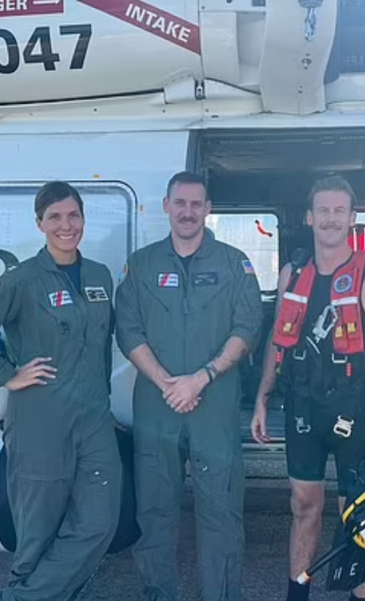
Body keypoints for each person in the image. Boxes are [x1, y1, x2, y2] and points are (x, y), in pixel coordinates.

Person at [0, 181, 124, 601]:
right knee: (38, 535)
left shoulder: (99, 275)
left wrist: (102, 400)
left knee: (99, 522)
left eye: (73, 215)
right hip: (41, 420)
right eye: (55, 217)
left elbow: (98, 347)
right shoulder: (22, 279)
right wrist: (6, 374)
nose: (67, 225)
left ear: (83, 218)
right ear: (40, 224)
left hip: (95, 420)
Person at [251, 175, 365, 601]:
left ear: (353, 218)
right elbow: (277, 340)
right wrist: (263, 398)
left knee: (358, 516)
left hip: (358, 412)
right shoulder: (293, 272)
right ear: (309, 216)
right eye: (322, 210)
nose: (330, 218)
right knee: (303, 508)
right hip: (303, 408)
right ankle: (297, 595)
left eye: (339, 210)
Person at [114, 170, 263, 601]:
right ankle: (158, 593)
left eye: (197, 204)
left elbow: (247, 326)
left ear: (208, 210)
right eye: (180, 203)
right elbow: (128, 331)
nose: (188, 212)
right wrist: (167, 383)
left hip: (212, 405)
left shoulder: (235, 264)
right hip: (157, 405)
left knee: (221, 512)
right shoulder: (141, 265)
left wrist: (201, 378)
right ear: (166, 206)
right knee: (155, 511)